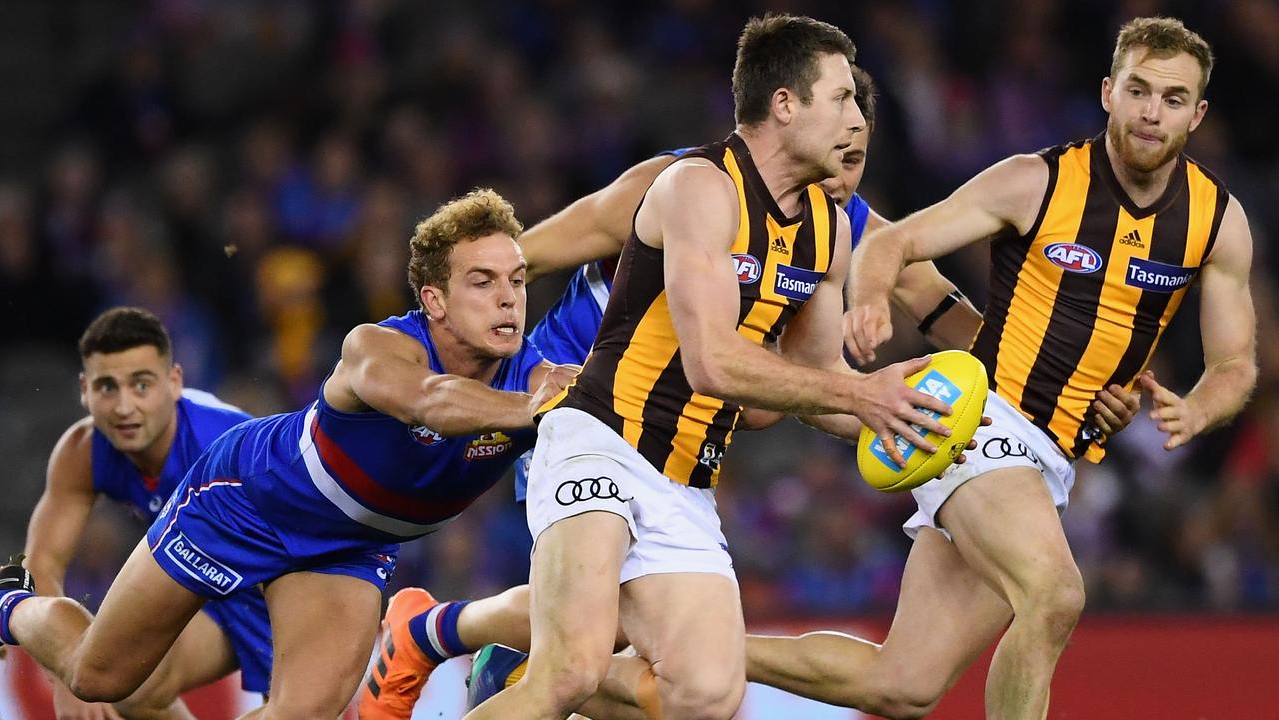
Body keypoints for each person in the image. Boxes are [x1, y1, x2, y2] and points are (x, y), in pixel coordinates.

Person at [362, 63, 1141, 720]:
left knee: (665, 669)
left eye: (860, 157)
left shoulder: (843, 227)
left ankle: (450, 641)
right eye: (838, 148)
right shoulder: (684, 183)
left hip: (681, 441)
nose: (846, 175)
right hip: (574, 399)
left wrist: (1064, 390)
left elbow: (948, 318)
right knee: (593, 645)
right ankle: (468, 653)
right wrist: (444, 340)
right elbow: (527, 255)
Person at [466, 14, 962, 720]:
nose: (858, 120)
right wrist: (862, 394)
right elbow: (710, 361)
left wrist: (906, 415)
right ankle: (504, 662)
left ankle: (504, 672)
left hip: (687, 479)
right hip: (601, 439)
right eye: (842, 98)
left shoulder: (827, 235)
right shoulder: (697, 186)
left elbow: (810, 388)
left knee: (706, 696)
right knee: (571, 670)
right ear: (784, 104)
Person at [0, 188, 576, 718]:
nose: (508, 300)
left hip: (350, 546)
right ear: (435, 300)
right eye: (483, 282)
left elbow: (598, 402)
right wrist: (532, 410)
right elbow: (431, 401)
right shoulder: (375, 348)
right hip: (247, 501)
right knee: (99, 677)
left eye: (518, 281)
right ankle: (10, 604)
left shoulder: (540, 380)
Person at [845, 16, 1256, 719]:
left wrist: (1197, 408)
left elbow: (1237, 365)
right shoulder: (1036, 181)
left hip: (1051, 460)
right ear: (1107, 93)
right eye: (1139, 90)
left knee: (902, 684)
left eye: (1174, 98)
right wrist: (870, 300)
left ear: (1200, 112)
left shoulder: (1217, 222)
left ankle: (653, 668)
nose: (1152, 113)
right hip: (980, 417)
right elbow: (897, 242)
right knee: (1056, 594)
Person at [15, 306, 271, 719]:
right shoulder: (82, 452)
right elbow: (41, 563)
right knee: (128, 683)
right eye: (106, 387)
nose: (123, 407)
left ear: (174, 383)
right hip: (209, 591)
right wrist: (65, 674)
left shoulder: (227, 445)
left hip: (279, 584)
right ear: (84, 390)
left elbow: (296, 551)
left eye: (140, 385)